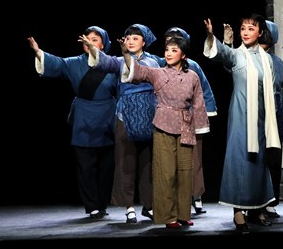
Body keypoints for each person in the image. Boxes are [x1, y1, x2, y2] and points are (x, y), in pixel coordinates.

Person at [84, 34, 210, 229]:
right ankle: (168, 216)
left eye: (174, 50)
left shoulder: (192, 76)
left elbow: (199, 103)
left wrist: (199, 128)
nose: (168, 54)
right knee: (165, 173)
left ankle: (183, 214)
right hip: (163, 125)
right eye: (167, 50)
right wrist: (126, 55)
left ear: (184, 55)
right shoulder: (158, 73)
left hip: (185, 126)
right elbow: (138, 70)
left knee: (185, 171)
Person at [27, 26, 117, 219]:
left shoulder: (112, 64)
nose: (89, 42)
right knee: (86, 165)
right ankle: (91, 205)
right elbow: (57, 63)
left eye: (95, 39)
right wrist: (38, 52)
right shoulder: (74, 63)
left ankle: (102, 203)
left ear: (103, 44)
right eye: (87, 38)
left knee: (106, 166)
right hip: (84, 116)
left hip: (107, 116)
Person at [203, 14, 278, 231]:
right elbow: (222, 54)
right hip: (240, 115)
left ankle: (258, 207)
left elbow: (272, 89)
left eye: (251, 28)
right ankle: (238, 212)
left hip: (261, 117)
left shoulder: (267, 59)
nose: (245, 32)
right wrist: (212, 37)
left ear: (260, 33)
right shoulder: (237, 54)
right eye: (243, 28)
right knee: (239, 161)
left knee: (259, 162)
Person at [224, 21, 283, 219]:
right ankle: (247, 205)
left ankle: (267, 202)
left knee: (271, 162)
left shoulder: (275, 62)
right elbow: (229, 63)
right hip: (248, 114)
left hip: (271, 117)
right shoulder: (243, 55)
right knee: (250, 161)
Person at [85, 24, 159, 224]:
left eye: (135, 38)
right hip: (125, 115)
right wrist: (92, 49)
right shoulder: (119, 61)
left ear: (144, 41)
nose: (130, 41)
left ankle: (149, 205)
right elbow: (104, 62)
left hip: (148, 115)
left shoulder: (153, 61)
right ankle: (129, 207)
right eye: (128, 38)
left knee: (148, 163)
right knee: (125, 162)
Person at [146, 27, 218, 215]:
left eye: (176, 42)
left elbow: (204, 92)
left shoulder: (193, 67)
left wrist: (203, 119)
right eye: (168, 42)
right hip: (166, 119)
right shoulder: (160, 64)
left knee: (193, 159)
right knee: (166, 163)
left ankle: (196, 195)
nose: (170, 46)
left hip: (189, 119)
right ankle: (167, 205)